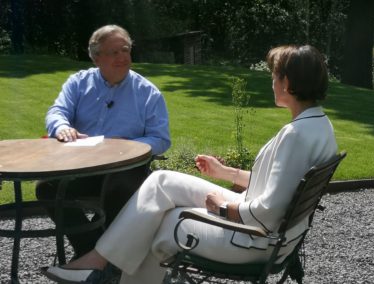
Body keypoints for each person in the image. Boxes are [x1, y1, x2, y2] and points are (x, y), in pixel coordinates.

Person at [41, 44, 338, 284]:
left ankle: (97, 264)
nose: (272, 81)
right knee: (162, 181)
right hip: (268, 232)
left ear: (287, 83)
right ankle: (97, 261)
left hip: (253, 240)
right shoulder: (318, 127)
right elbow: (278, 185)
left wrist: (220, 206)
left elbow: (265, 215)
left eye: (275, 75)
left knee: (162, 224)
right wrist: (225, 173)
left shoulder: (296, 136)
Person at [36, 24, 171, 258]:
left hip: (125, 169)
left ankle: (103, 254)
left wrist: (130, 146)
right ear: (96, 58)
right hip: (82, 166)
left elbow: (161, 139)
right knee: (47, 187)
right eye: (113, 52)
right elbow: (57, 111)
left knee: (118, 185)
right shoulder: (78, 83)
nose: (122, 57)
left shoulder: (148, 93)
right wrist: (62, 127)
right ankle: (90, 247)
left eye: (125, 50)